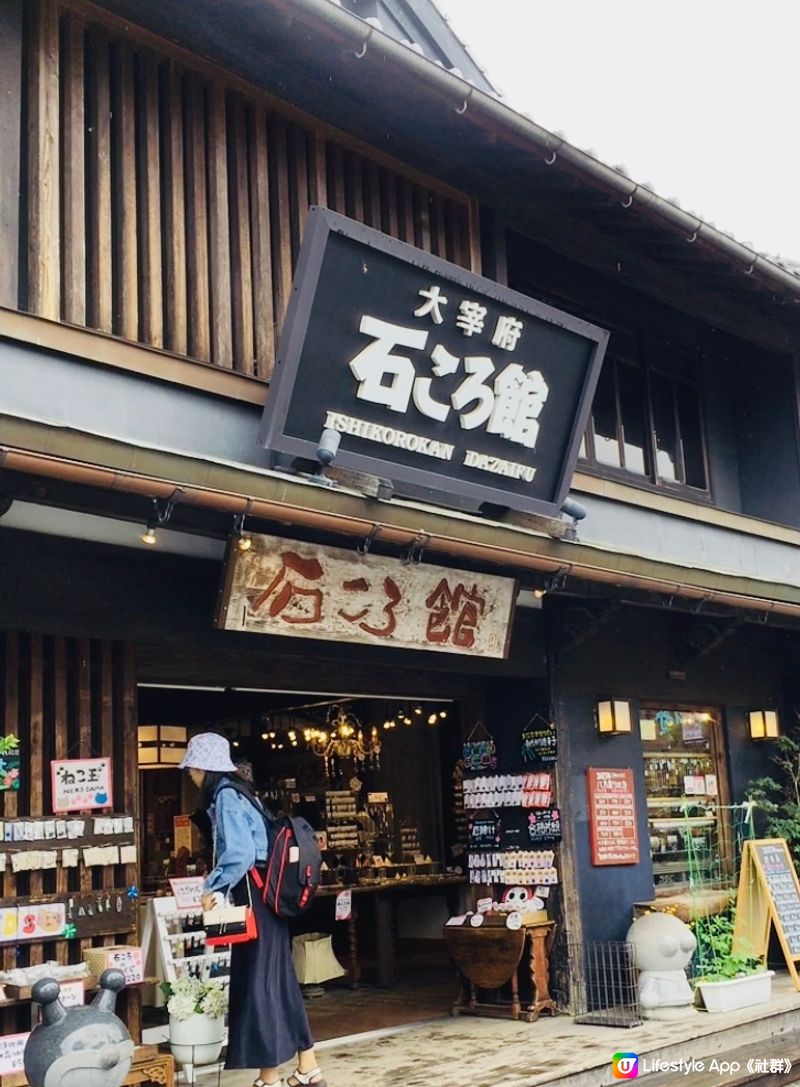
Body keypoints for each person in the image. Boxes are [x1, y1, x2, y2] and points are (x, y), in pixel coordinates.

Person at [179, 733, 326, 1087]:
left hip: (254, 898)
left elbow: (241, 854)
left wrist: (212, 885)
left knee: (257, 984)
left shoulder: (227, 797)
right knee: (279, 982)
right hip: (269, 896)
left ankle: (271, 1077)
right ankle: (307, 1067)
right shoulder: (243, 792)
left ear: (203, 768)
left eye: (193, 768)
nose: (191, 775)